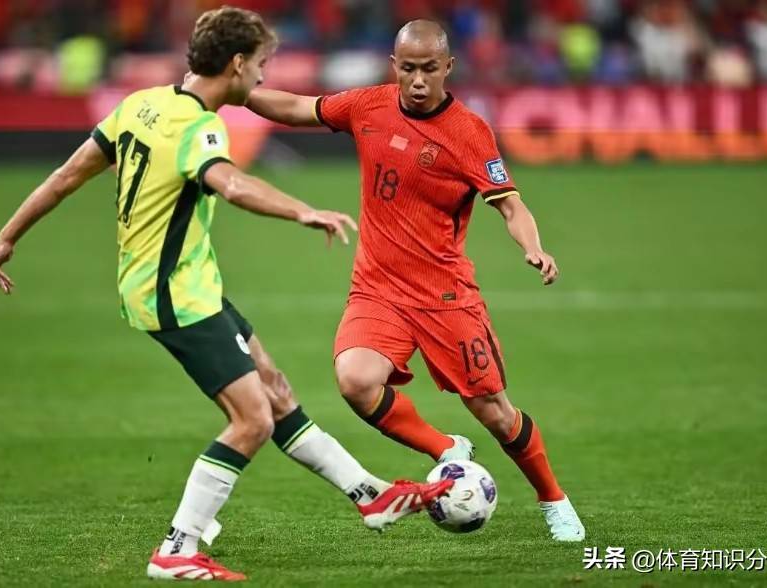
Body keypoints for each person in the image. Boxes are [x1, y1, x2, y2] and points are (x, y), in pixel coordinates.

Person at [0, 8, 452, 582]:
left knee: (275, 391)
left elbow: (66, 175)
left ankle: (369, 495)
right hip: (175, 295)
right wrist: (301, 211)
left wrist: (7, 236)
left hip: (183, 284)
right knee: (252, 421)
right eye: (260, 64)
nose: (262, 76)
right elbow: (229, 182)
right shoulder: (198, 127)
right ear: (235, 64)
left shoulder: (141, 105)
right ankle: (176, 549)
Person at [245, 19, 585, 542]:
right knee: (356, 380)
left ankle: (554, 499)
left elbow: (510, 204)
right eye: (408, 68)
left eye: (429, 69)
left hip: (444, 296)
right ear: (394, 66)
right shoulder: (368, 105)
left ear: (448, 67)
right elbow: (296, 107)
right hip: (377, 289)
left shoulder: (469, 132)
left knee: (495, 413)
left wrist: (532, 246)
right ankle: (444, 449)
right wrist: (233, 92)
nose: (418, 80)